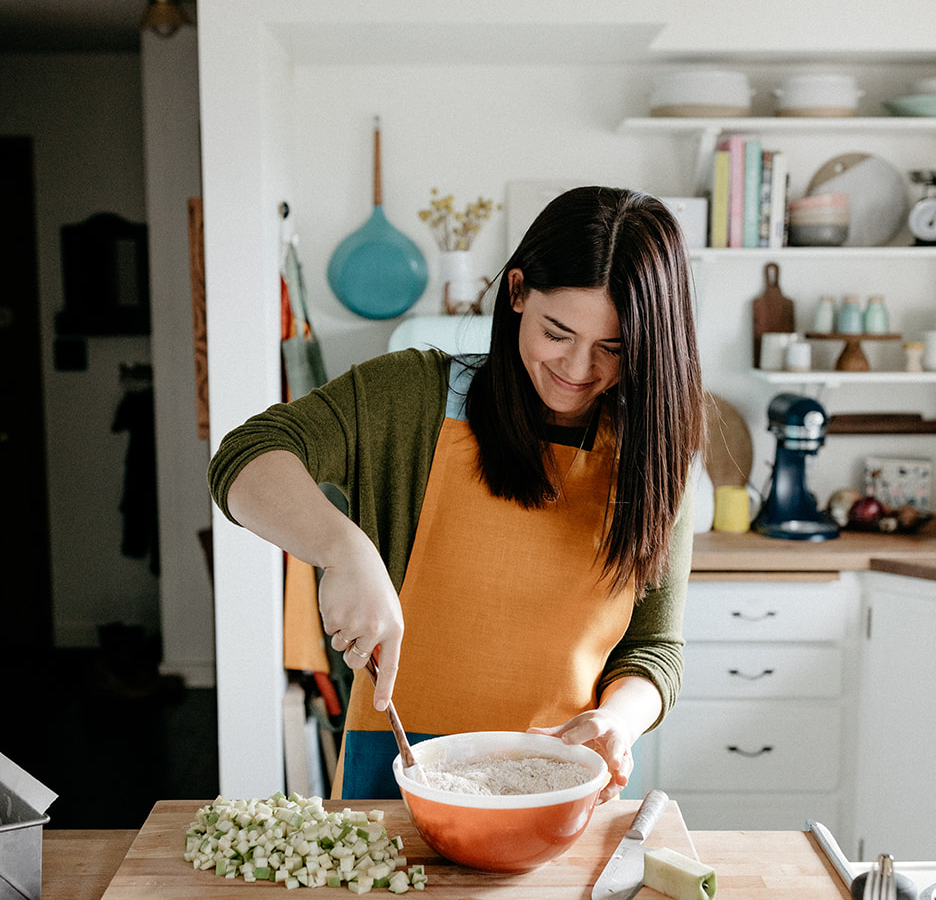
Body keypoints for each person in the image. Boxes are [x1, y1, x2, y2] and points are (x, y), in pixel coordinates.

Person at [209, 185, 703, 801]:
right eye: (558, 333)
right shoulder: (413, 397)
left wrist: (618, 721)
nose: (579, 370)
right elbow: (243, 458)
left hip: (559, 779)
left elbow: (654, 650)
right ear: (517, 293)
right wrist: (344, 549)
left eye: (613, 348)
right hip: (393, 768)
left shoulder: (655, 456)